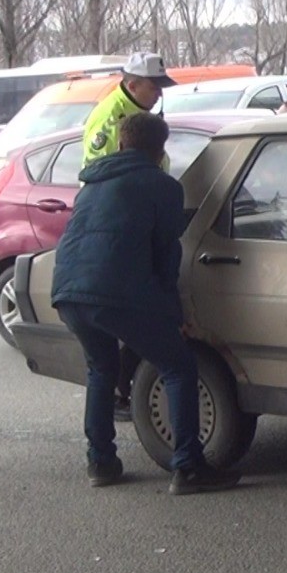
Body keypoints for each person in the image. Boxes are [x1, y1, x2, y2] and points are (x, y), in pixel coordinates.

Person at [50, 113, 240, 494]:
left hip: (68, 291)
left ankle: (100, 461)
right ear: (161, 150)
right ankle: (187, 467)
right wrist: (176, 317)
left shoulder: (91, 184)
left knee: (101, 369)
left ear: (121, 143)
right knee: (179, 365)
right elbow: (165, 258)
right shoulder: (163, 187)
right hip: (117, 293)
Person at [79, 51, 177, 420]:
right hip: (119, 226)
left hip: (140, 218)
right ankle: (121, 394)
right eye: (154, 86)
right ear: (131, 83)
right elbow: (101, 176)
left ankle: (122, 390)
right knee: (123, 324)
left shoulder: (144, 117)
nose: (159, 93)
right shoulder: (109, 118)